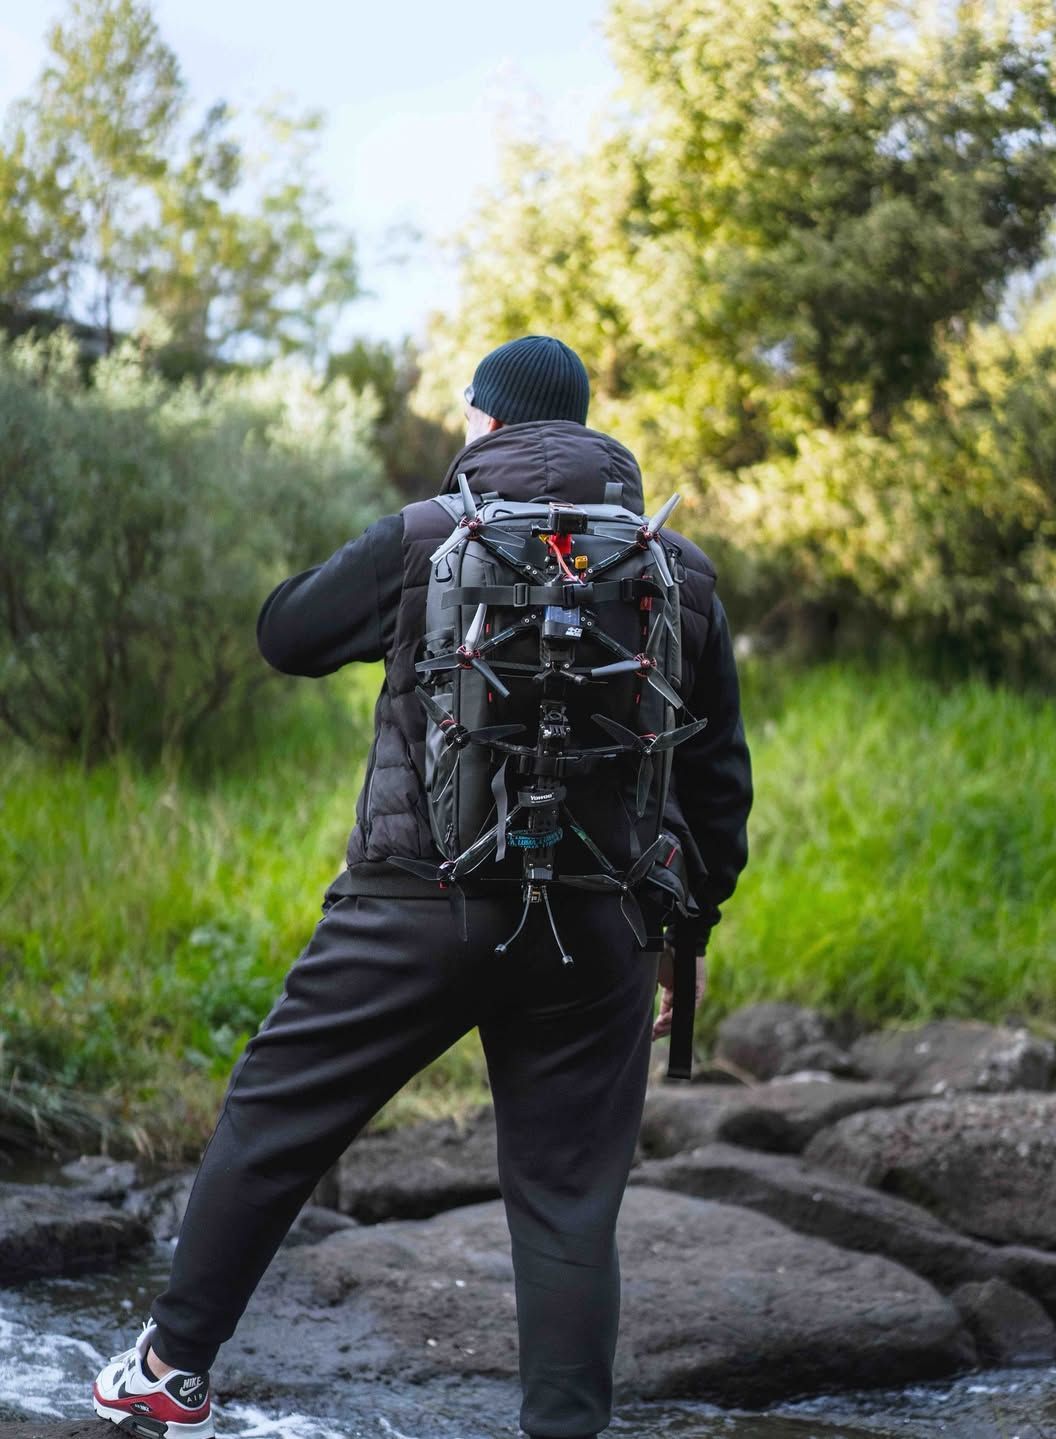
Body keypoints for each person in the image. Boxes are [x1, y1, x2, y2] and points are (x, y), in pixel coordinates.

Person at [91, 335, 752, 1439]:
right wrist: (683, 936)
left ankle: (171, 1369)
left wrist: (404, 555)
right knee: (568, 1203)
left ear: (486, 423)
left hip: (412, 903)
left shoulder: (430, 532)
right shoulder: (672, 564)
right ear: (585, 428)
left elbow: (287, 633)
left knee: (274, 1118)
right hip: (600, 926)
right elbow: (718, 780)